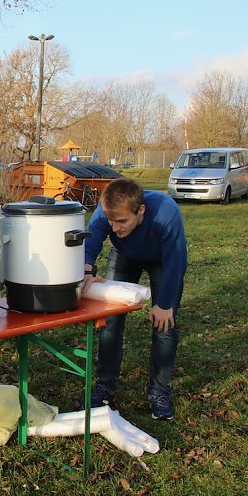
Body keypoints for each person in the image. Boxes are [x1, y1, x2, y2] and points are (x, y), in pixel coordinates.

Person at [83, 177, 187, 421]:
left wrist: (164, 305)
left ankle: (159, 391)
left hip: (162, 259)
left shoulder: (166, 213)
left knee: (165, 325)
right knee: (109, 322)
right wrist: (86, 270)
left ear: (141, 211)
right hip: (125, 255)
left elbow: (176, 262)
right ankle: (106, 385)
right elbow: (91, 241)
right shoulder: (106, 210)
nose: (115, 227)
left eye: (122, 221)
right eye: (111, 221)